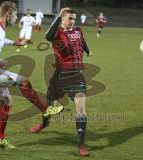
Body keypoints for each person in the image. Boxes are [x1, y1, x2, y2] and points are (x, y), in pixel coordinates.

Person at [0, 1, 63, 149]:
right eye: (15, 15)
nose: (16, 19)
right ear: (8, 14)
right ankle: (46, 110)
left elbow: (1, 41)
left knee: (7, 102)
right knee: (23, 81)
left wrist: (17, 43)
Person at [29, 7, 92, 156]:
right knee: (49, 106)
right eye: (69, 18)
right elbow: (47, 35)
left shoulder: (77, 30)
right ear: (63, 18)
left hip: (77, 74)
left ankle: (81, 145)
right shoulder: (57, 33)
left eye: (74, 19)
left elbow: (82, 41)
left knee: (81, 108)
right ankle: (44, 124)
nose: (72, 21)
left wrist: (88, 51)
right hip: (60, 74)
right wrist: (58, 16)